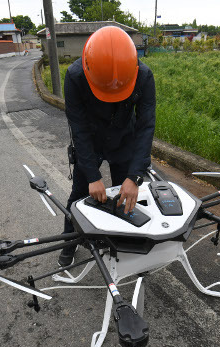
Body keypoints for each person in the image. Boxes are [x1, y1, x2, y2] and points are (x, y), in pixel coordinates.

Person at [59, 26, 156, 267]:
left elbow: (146, 127)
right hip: (90, 140)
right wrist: (92, 175)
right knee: (80, 195)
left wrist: (135, 176)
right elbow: (78, 129)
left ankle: (119, 245)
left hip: (125, 138)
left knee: (124, 196)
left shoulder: (143, 76)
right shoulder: (75, 77)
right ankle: (68, 242)